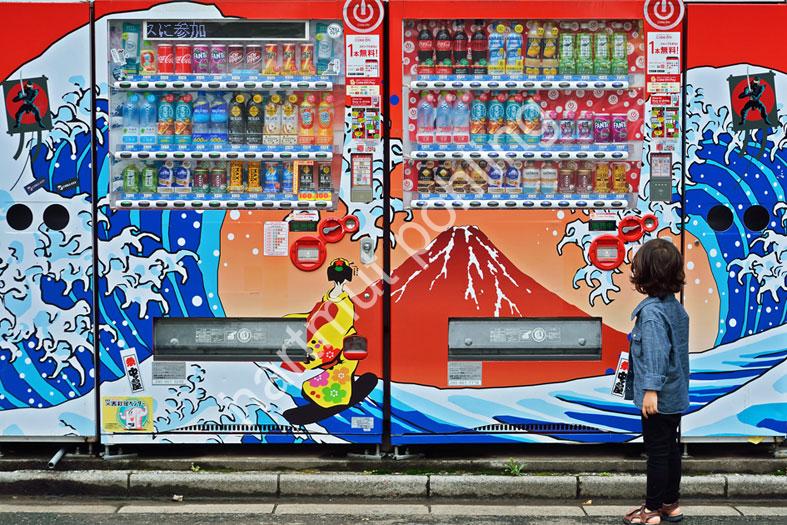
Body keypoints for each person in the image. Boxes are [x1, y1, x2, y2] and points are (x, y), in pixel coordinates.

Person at [623, 238, 690, 525]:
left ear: (646, 275)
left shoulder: (650, 314)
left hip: (658, 396)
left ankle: (650, 510)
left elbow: (655, 354)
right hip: (675, 392)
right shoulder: (674, 308)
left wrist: (651, 390)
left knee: (657, 452)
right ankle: (670, 504)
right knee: (671, 449)